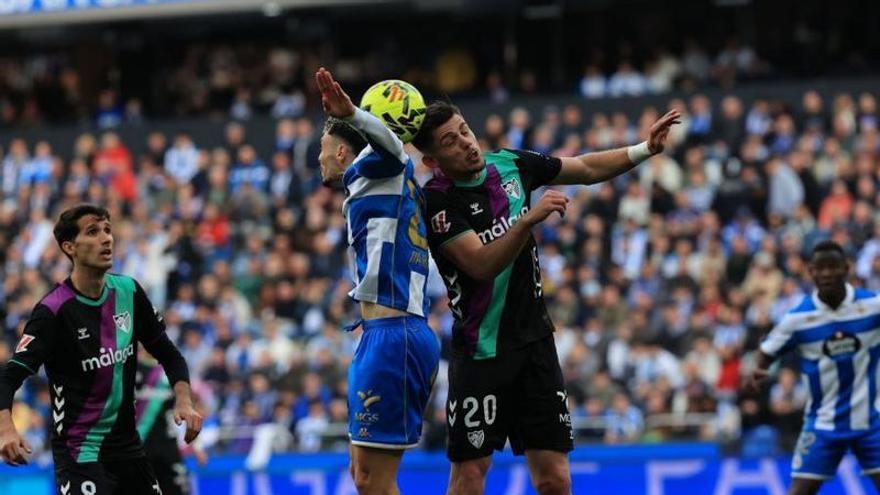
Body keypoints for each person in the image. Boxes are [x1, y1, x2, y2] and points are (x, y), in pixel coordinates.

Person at [410, 101, 680, 495]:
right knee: (469, 477)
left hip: (535, 345)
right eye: (451, 141)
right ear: (433, 161)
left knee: (555, 478)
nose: (466, 143)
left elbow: (584, 168)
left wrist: (644, 149)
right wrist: (526, 221)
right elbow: (481, 265)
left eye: (465, 130)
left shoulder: (510, 164)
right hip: (482, 351)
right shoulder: (437, 201)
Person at [0, 204, 203, 495]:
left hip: (129, 450)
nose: (106, 238)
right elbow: (9, 377)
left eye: (108, 230)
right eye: (93, 232)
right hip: (80, 454)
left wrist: (184, 400)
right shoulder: (53, 311)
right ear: (69, 247)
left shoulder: (130, 292)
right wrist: (6, 429)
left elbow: (169, 355)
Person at [314, 68, 440, 494]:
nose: (319, 159)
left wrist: (352, 113)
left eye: (322, 149)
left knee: (372, 480)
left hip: (395, 334)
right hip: (382, 333)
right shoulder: (372, 183)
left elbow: (393, 147)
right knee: (361, 474)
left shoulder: (379, 166)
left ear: (343, 151)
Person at [753, 240, 880, 495]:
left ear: (846, 268)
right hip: (823, 424)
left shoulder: (873, 306)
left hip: (872, 421)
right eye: (820, 269)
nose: (826, 274)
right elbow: (767, 351)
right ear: (810, 271)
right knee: (799, 491)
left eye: (833, 267)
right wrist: (759, 371)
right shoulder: (797, 319)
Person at [136, 352, 207, 495]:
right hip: (139, 446)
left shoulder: (172, 368)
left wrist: (197, 446)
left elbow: (189, 409)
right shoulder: (128, 366)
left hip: (168, 447)